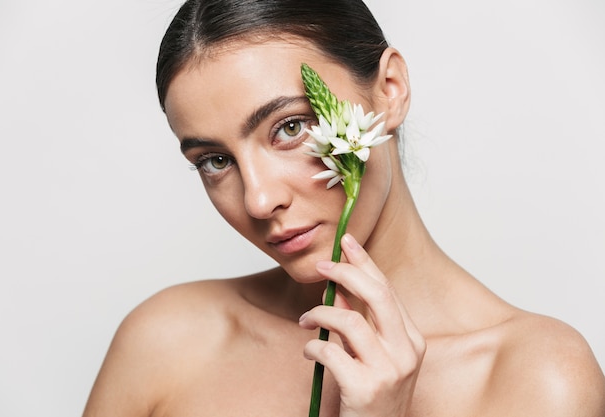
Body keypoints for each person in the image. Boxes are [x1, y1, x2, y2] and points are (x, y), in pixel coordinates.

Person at [83, 0, 605, 415]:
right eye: (215, 160)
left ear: (390, 90)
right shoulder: (167, 341)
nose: (259, 199)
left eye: (291, 127)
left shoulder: (536, 380)